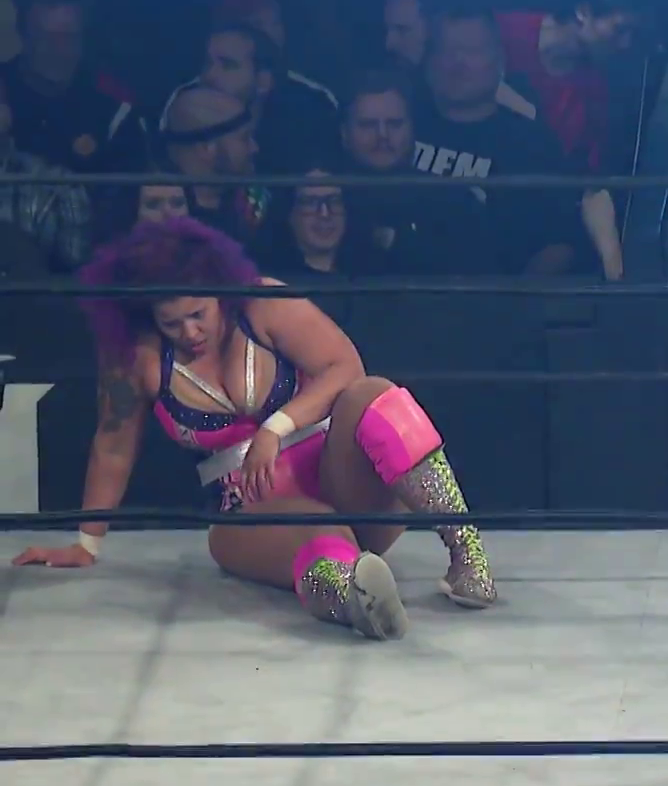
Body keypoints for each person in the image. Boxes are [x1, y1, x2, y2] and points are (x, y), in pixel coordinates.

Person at [10, 218, 497, 640]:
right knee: (316, 533)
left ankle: (467, 554)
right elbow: (113, 448)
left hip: (343, 483)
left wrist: (275, 428)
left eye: (198, 314)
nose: (190, 333)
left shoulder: (263, 302)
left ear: (220, 292)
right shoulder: (137, 359)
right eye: (171, 323)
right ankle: (357, 599)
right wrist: (87, 543)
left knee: (373, 392)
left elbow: (344, 365)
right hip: (255, 516)